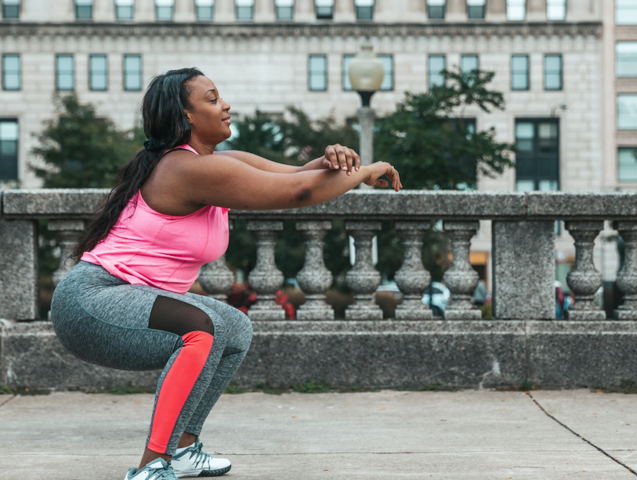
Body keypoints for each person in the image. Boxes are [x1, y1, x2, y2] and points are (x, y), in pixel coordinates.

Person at [50, 67, 403, 480]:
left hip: (121, 299)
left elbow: (295, 176)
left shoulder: (217, 164)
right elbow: (298, 194)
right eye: (213, 99)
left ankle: (183, 448)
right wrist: (367, 170)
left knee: (233, 329)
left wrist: (333, 160)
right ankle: (152, 465)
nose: (226, 105)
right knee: (199, 329)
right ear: (186, 117)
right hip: (91, 302)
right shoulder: (186, 169)